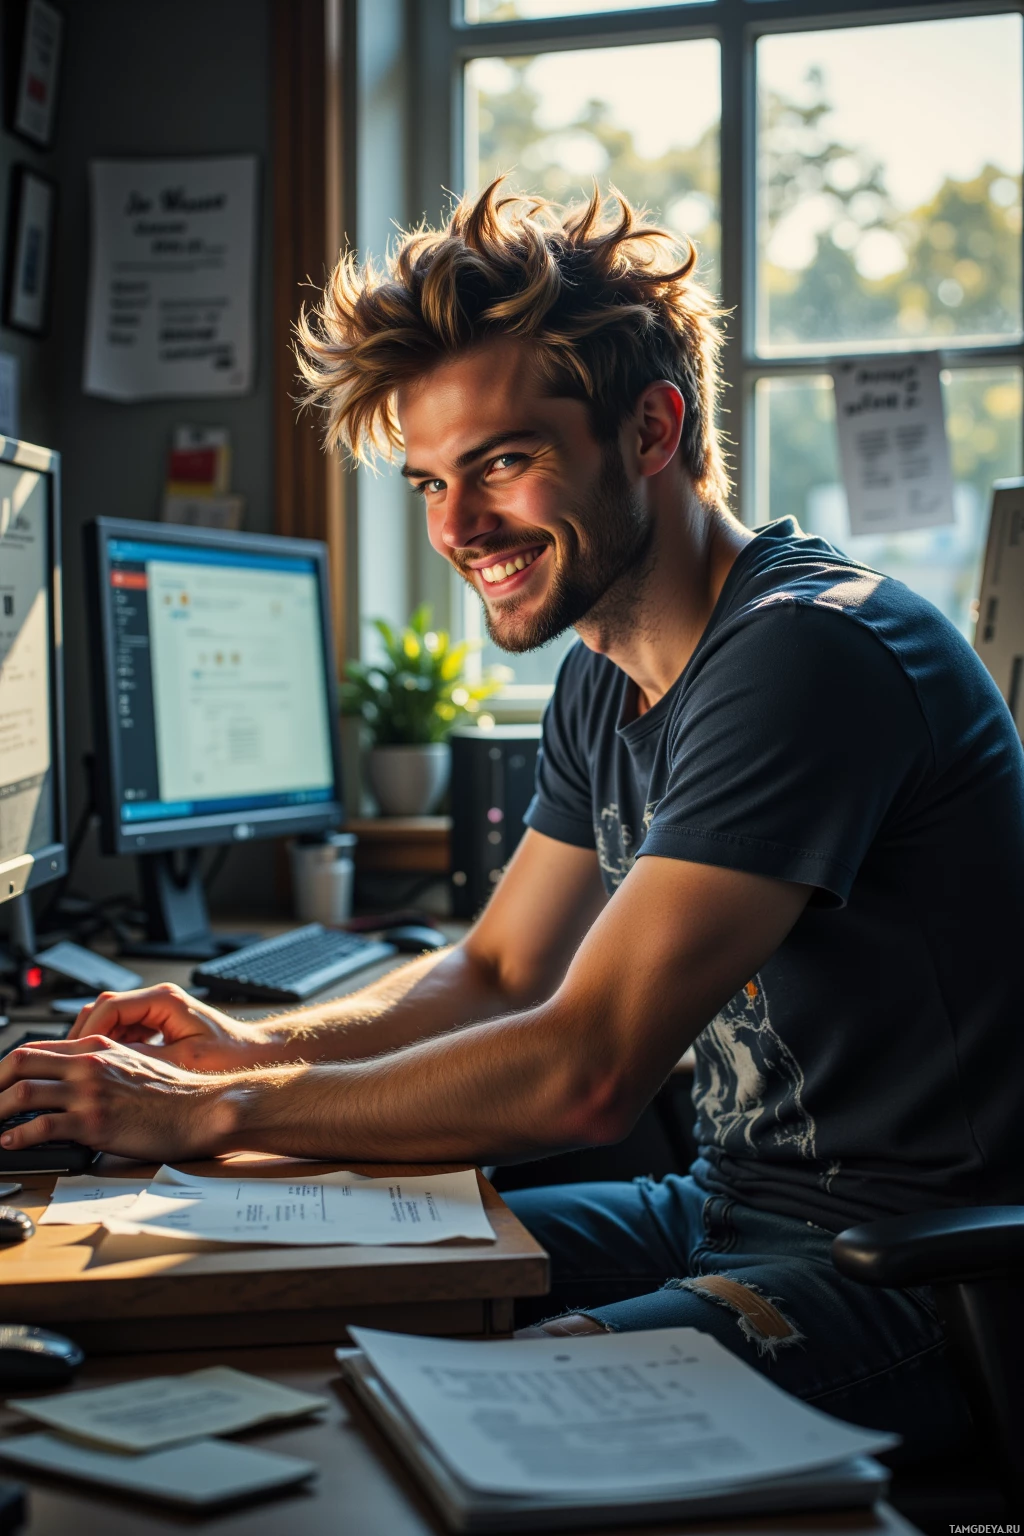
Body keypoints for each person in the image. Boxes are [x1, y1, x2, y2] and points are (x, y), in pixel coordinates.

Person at [3, 184, 1022, 1456]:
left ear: (650, 428)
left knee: (462, 1423)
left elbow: (584, 1069)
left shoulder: (805, 654)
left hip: (918, 1275)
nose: (456, 526)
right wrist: (239, 1054)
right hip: (721, 1209)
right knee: (274, 1304)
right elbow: (495, 972)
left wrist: (214, 1113)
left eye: (503, 461)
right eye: (431, 480)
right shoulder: (610, 665)